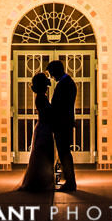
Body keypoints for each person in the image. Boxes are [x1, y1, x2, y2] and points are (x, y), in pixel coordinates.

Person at [16, 72, 56, 192]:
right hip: (44, 128)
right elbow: (48, 113)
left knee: (41, 155)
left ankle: (40, 180)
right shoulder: (41, 98)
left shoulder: (41, 97)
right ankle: (41, 181)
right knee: (42, 155)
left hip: (43, 127)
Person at [45, 59, 77, 191]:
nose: (52, 76)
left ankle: (70, 182)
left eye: (52, 72)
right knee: (64, 152)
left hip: (63, 124)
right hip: (64, 123)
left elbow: (61, 106)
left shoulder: (65, 84)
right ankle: (69, 180)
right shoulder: (66, 82)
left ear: (57, 70)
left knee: (64, 153)